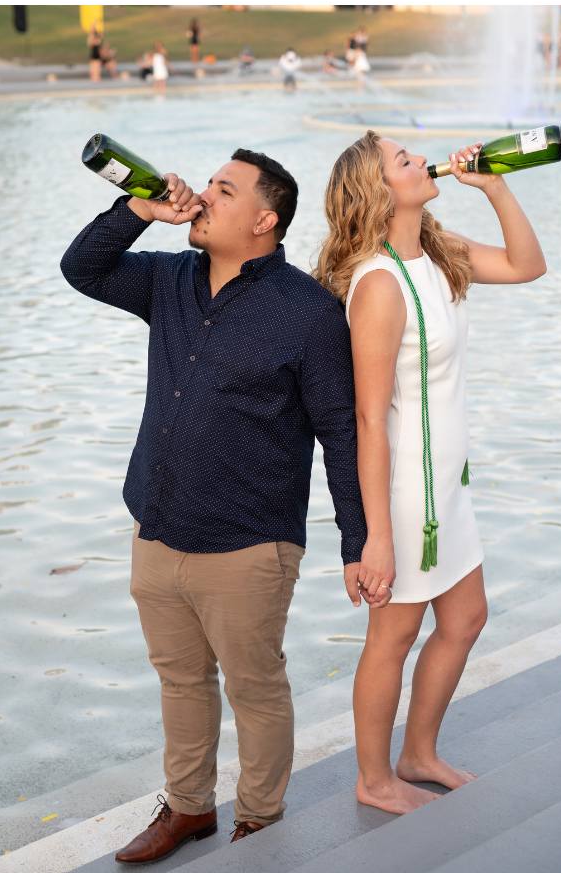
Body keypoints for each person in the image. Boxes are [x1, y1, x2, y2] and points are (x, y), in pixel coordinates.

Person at [61, 152, 368, 860]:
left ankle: (259, 821)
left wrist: (358, 545)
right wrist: (140, 210)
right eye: (207, 185)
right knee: (179, 683)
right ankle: (188, 809)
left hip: (249, 545)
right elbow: (84, 268)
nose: (202, 196)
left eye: (223, 192)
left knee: (255, 690)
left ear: (264, 219)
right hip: (159, 528)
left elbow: (340, 436)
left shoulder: (310, 313)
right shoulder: (169, 279)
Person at [314, 133, 546, 815]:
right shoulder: (380, 283)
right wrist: (374, 538)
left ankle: (419, 753)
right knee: (393, 635)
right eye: (402, 159)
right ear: (378, 190)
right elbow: (368, 419)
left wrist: (496, 186)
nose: (421, 159)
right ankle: (374, 778)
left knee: (466, 617)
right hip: (408, 497)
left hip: (448, 483)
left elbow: (529, 266)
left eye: (414, 151)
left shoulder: (437, 252)